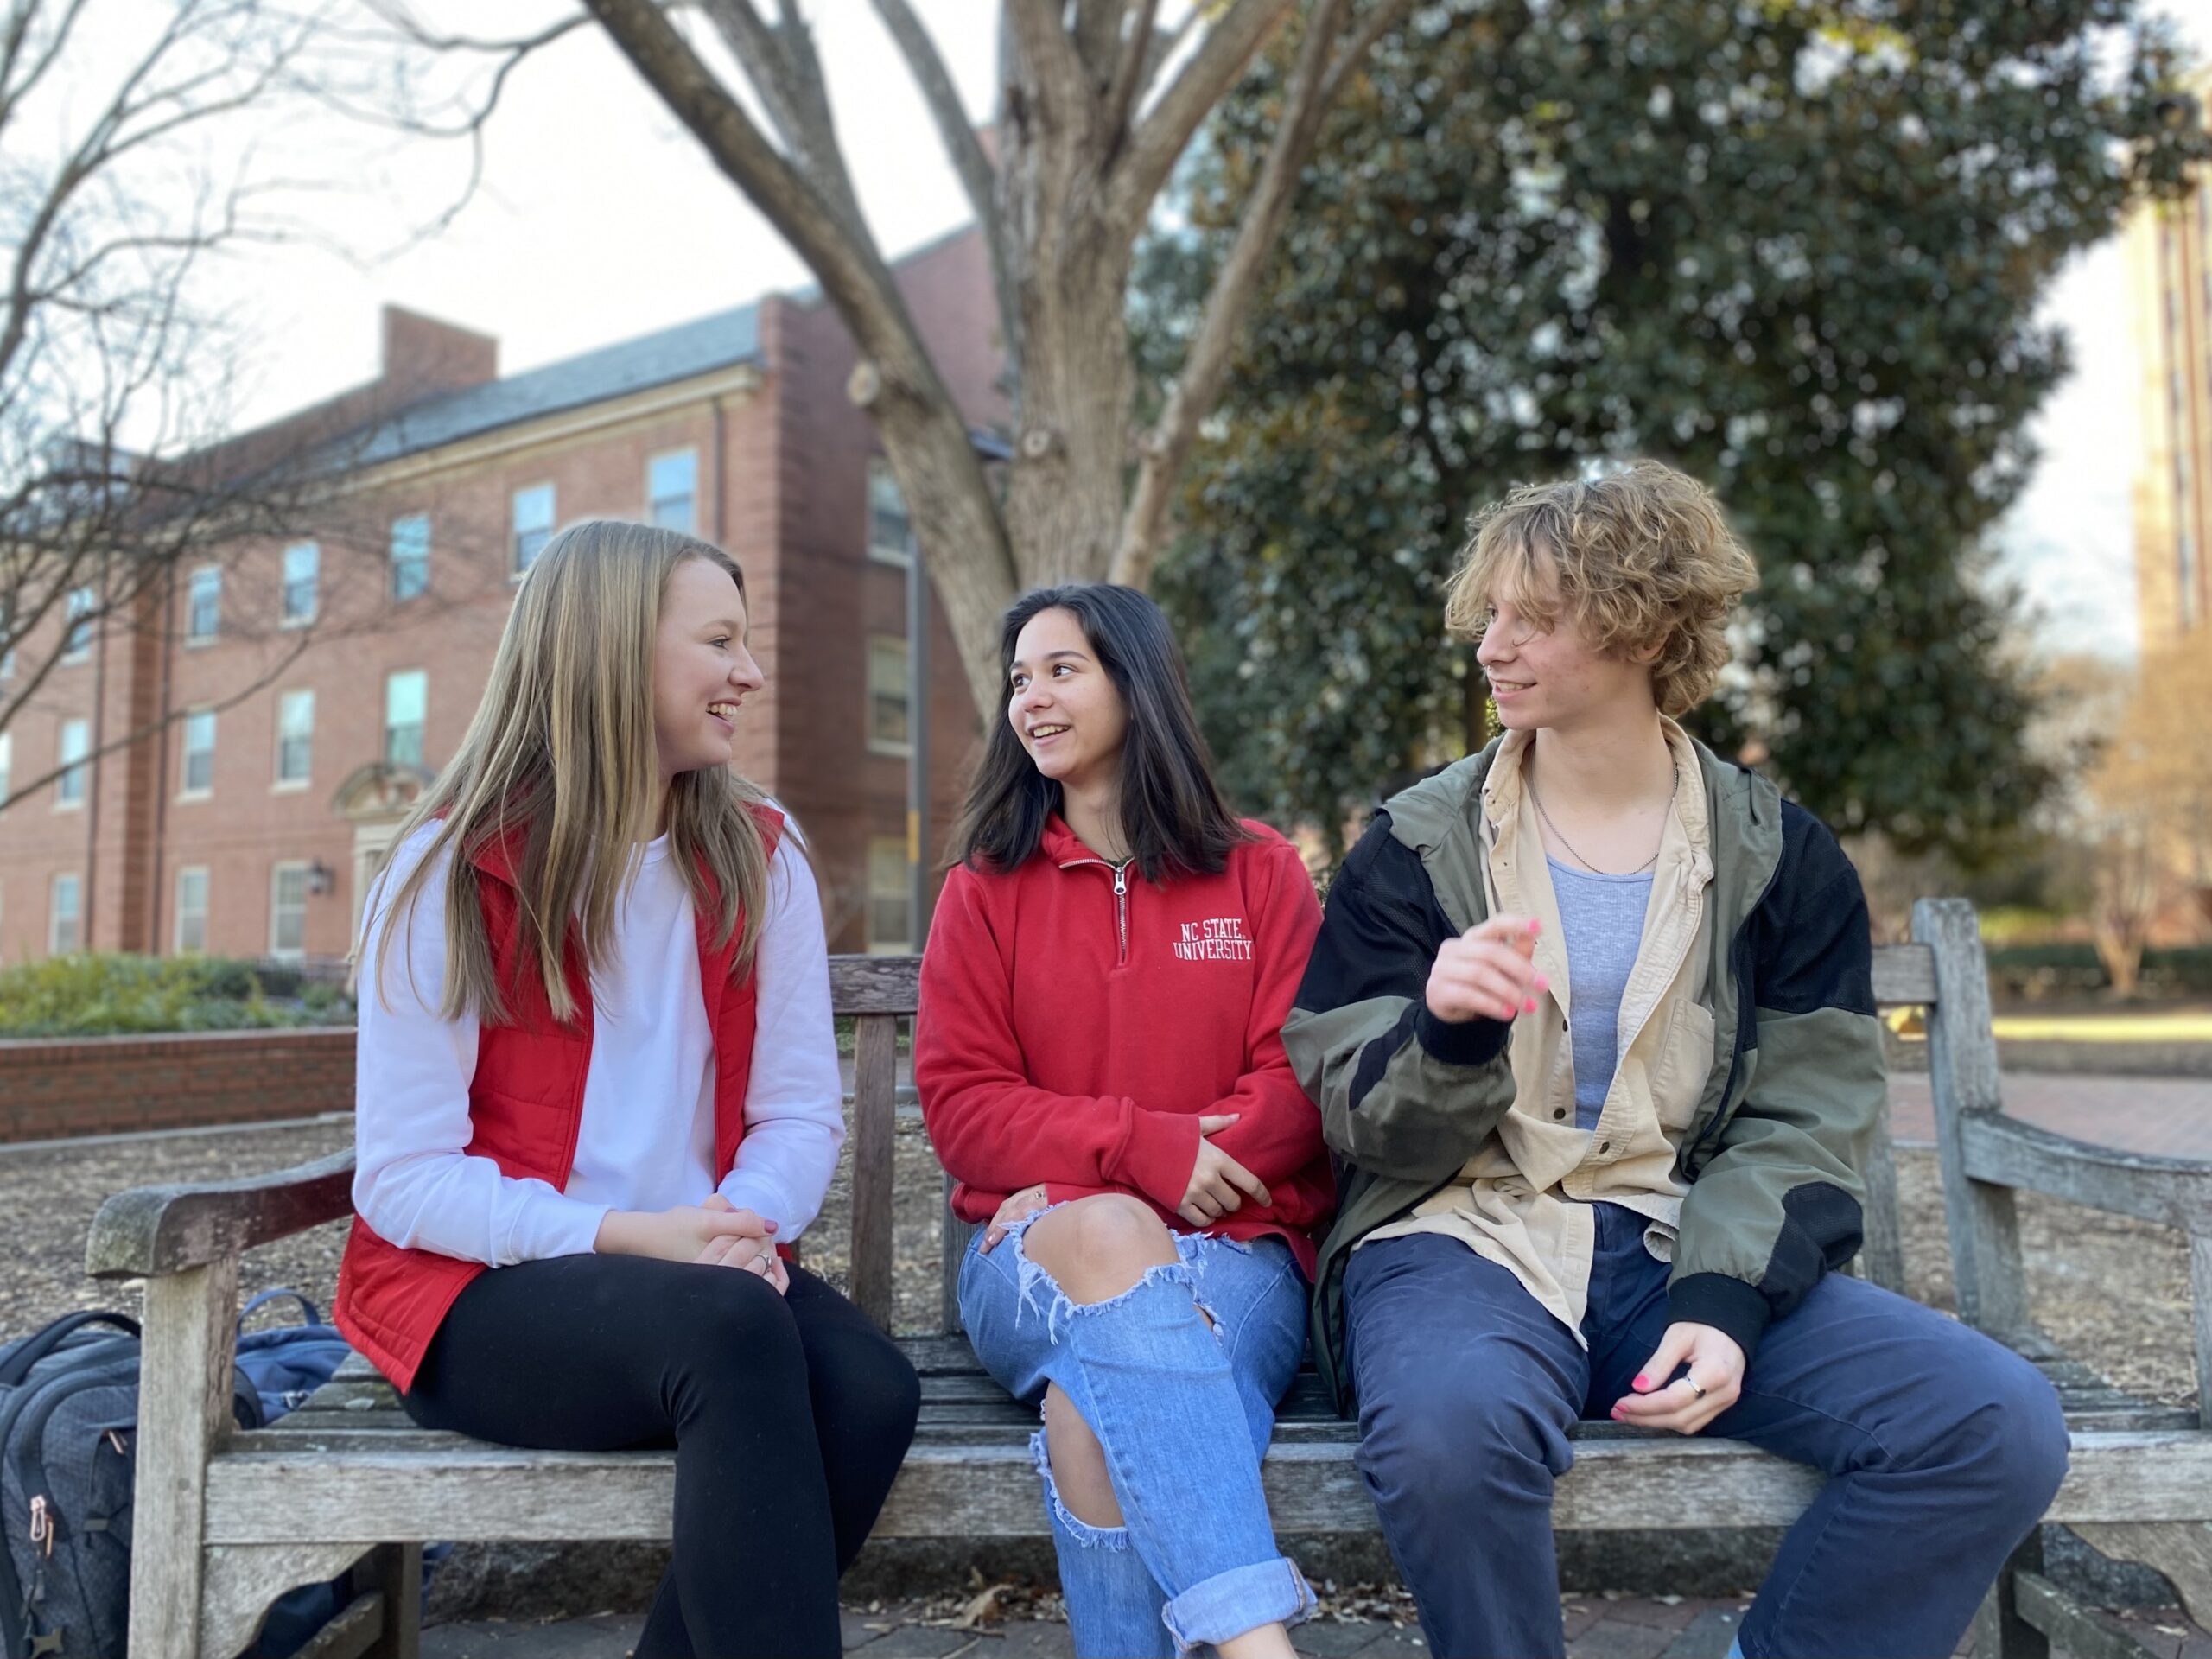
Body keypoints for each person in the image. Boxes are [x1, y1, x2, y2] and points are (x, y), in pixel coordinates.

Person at [1284, 462, 2070, 1659]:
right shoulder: (1414, 846)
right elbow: (1365, 1129)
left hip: (1680, 1238)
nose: (1491, 645)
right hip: (1462, 1239)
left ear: (1642, 625)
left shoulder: (1780, 857)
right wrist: (1443, 1033)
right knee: (1448, 1437)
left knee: (1991, 1421)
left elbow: (1807, 1115)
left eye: (1531, 617)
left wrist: (1724, 1302)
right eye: (1488, 613)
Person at [334, 519, 920, 1659]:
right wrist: (630, 1235)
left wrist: (735, 1228)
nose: (747, 673)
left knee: (871, 1392)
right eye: (719, 641)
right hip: (481, 1294)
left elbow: (800, 1110)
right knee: (735, 1335)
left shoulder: (759, 854)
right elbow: (402, 1179)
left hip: (706, 1279)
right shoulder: (451, 872)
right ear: (613, 652)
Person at [915, 584, 1332, 1659]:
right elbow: (965, 1109)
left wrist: (1102, 1165)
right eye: (1018, 679)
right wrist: (1151, 1154)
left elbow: (1295, 1088)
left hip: (1235, 1256)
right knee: (1107, 1234)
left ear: (1135, 687)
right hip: (1032, 1261)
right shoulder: (984, 891)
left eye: (1062, 670)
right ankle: (1257, 1646)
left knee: (1089, 1418)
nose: (1031, 699)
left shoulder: (1259, 873)